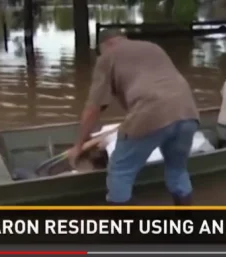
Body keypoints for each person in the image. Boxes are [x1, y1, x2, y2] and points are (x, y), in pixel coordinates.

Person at [68, 30, 200, 205]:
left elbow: (94, 107)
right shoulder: (153, 47)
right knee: (177, 169)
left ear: (105, 45)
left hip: (151, 113)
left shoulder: (107, 57)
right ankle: (185, 223)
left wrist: (79, 145)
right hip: (187, 111)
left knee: (120, 170)